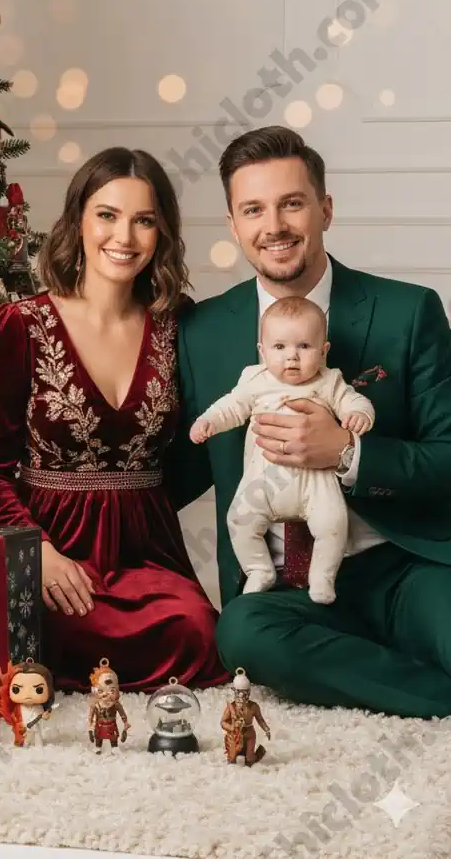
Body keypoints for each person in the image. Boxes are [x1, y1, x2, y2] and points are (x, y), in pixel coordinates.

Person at [169, 124, 451, 718]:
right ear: (233, 224)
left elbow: (447, 456)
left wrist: (348, 454)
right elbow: (178, 470)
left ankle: (380, 661)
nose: (274, 225)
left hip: (402, 567)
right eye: (253, 209)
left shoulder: (407, 312)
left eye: (292, 203)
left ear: (325, 209)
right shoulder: (202, 331)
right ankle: (432, 692)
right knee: (243, 637)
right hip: (284, 588)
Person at [0, 147, 229, 693]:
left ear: (162, 232)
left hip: (146, 552)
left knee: (198, 631)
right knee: (39, 634)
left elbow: (199, 447)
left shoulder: (177, 324)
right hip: (50, 547)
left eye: (144, 220)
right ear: (78, 220)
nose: (124, 237)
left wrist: (144, 504)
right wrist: (34, 550)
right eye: (107, 215)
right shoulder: (20, 324)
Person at [190, 296, 375, 604]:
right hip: (264, 480)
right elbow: (232, 406)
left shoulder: (329, 381)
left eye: (304, 346)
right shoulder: (255, 380)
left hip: (316, 480)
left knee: (333, 524)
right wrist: (208, 420)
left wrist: (359, 414)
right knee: (239, 519)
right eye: (279, 347)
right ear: (262, 351)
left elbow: (354, 401)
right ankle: (259, 569)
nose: (292, 357)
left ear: (323, 351)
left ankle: (322, 576)